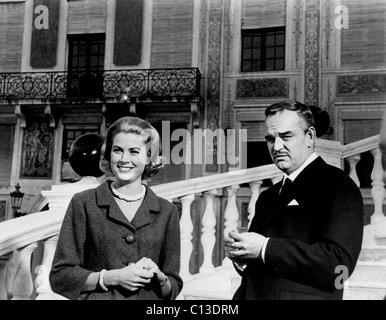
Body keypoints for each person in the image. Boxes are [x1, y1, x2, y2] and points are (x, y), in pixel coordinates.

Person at [224, 100, 364, 300]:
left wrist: (264, 248)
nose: (277, 146)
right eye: (270, 139)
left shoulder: (338, 185)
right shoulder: (267, 196)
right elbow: (264, 268)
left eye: (286, 136)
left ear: (310, 136)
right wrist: (243, 256)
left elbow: (339, 265)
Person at [50, 116, 183, 300]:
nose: (124, 159)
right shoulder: (84, 203)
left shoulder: (167, 211)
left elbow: (173, 286)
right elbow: (60, 277)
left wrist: (160, 278)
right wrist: (110, 278)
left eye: (134, 152)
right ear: (108, 155)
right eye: (118, 150)